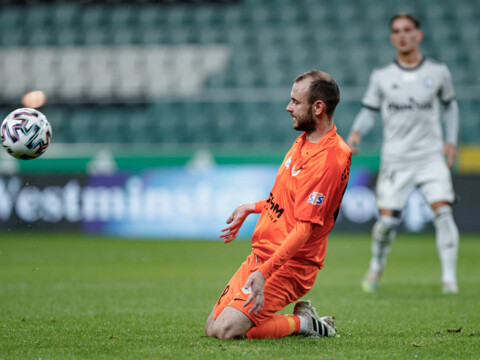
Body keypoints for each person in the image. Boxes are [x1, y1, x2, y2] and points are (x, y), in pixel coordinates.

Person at [204, 70, 351, 340]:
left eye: (295, 101)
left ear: (318, 107)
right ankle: (289, 320)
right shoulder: (304, 140)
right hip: (262, 255)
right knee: (212, 327)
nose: (288, 107)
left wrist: (264, 273)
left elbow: (305, 228)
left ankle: (305, 323)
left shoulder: (329, 159)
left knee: (227, 330)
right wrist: (253, 206)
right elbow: (290, 200)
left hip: (290, 265)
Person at [347, 13, 460, 294]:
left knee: (444, 213)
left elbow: (450, 106)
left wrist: (451, 141)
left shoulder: (438, 72)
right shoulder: (382, 76)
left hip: (431, 157)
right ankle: (377, 263)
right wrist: (357, 131)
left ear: (418, 35)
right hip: (396, 159)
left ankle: (449, 279)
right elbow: (369, 111)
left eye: (408, 30)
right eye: (397, 31)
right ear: (391, 38)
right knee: (387, 223)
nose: (402, 35)